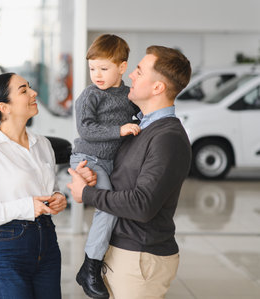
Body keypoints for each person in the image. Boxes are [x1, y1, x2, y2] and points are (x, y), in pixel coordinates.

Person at [67, 45, 192, 299]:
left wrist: (88, 194)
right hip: (122, 253)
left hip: (140, 258)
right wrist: (93, 178)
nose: (131, 75)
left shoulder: (168, 138)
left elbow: (142, 205)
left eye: (139, 70)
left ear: (158, 88)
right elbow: (124, 180)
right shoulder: (139, 129)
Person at [0, 72, 68, 299]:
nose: (33, 93)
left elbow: (50, 187)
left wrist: (57, 196)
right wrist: (27, 207)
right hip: (9, 249)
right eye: (24, 90)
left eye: (29, 87)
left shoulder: (43, 144)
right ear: (4, 107)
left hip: (47, 241)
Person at [70, 34, 140, 299]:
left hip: (113, 162)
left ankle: (101, 262)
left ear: (122, 67)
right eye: (92, 69)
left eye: (104, 68)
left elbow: (141, 114)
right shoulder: (90, 95)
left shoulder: (127, 94)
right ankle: (91, 267)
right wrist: (120, 129)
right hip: (90, 159)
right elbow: (85, 129)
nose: (96, 75)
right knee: (108, 209)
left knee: (121, 206)